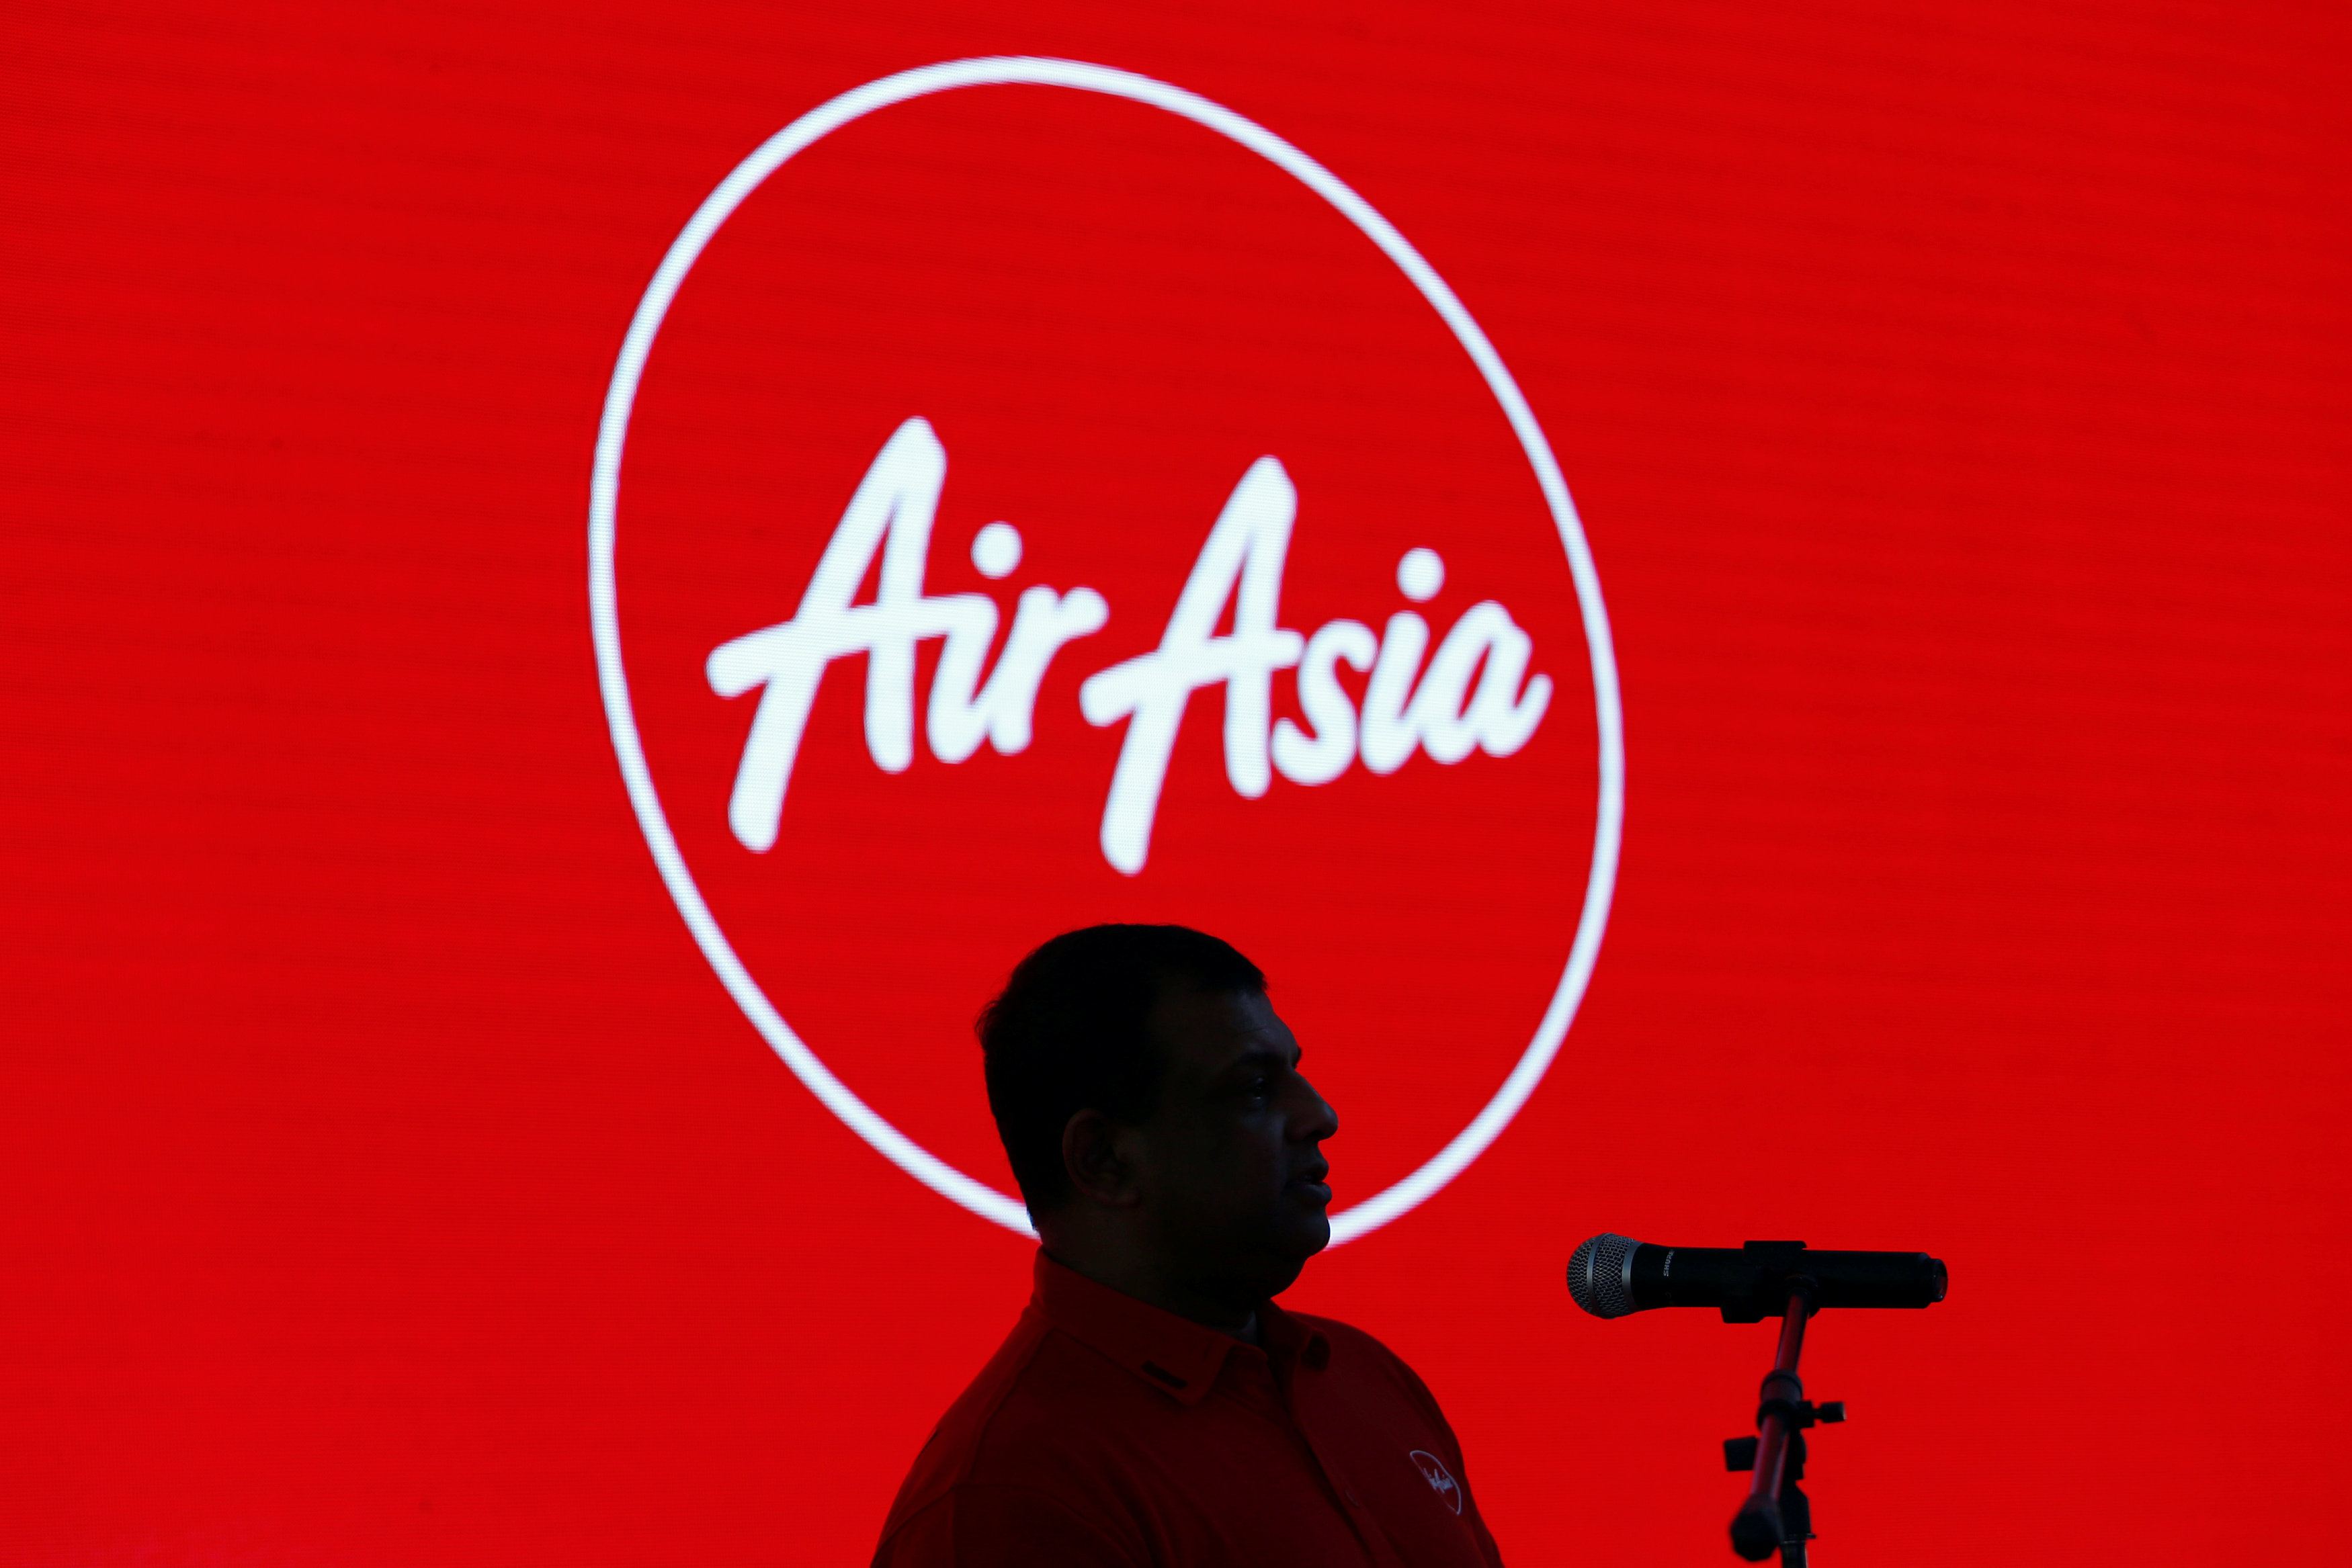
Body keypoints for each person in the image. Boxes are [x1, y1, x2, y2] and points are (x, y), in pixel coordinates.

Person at [872, 924, 1505, 1567]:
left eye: (1295, 1072)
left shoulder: (1367, 1377)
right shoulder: (1010, 1499)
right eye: (1254, 1088)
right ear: (1105, 1160)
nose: (1320, 1114)